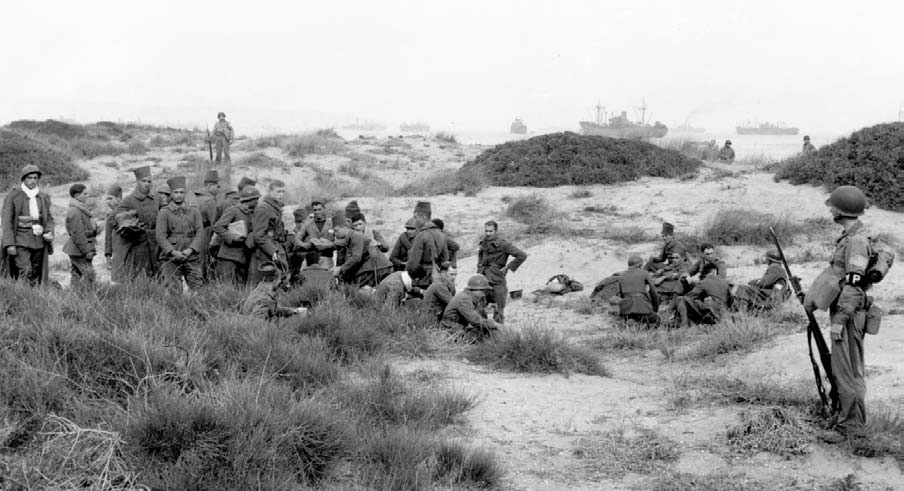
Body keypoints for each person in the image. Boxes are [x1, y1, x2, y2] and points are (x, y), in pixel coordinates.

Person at [806, 186, 873, 443]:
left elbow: (855, 286)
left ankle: (852, 429)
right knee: (843, 369)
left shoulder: (856, 242)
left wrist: (840, 320)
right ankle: (846, 418)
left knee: (848, 372)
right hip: (844, 312)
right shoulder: (850, 237)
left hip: (848, 315)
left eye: (833, 206)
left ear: (842, 210)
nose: (830, 209)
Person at [2, 165, 55, 285]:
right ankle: (23, 296)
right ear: (23, 179)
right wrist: (10, 244)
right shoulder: (13, 196)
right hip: (20, 241)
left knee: (36, 272)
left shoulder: (42, 196)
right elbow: (6, 221)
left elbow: (49, 218)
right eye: (29, 178)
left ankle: (33, 298)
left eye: (35, 178)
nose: (33, 181)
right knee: (25, 271)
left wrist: (49, 231)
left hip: (39, 241)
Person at [155, 176, 205, 294]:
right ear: (171, 194)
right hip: (171, 258)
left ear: (185, 193)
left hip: (191, 257)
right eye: (175, 192)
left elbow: (199, 232)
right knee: (173, 290)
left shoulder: (194, 211)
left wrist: (190, 250)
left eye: (181, 192)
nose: (178, 195)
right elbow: (160, 236)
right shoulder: (164, 212)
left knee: (198, 289)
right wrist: (173, 252)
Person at [114, 166, 161, 281]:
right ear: (137, 182)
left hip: (156, 240)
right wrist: (129, 220)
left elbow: (164, 213)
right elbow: (116, 216)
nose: (146, 184)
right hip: (140, 241)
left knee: (158, 271)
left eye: (149, 181)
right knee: (142, 272)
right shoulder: (129, 199)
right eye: (143, 181)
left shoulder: (156, 197)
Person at [477, 220, 527, 323]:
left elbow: (522, 255)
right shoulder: (484, 242)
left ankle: (498, 334)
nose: (488, 233)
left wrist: (508, 267)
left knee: (499, 311)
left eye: (490, 231)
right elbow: (481, 257)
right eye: (486, 231)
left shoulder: (503, 244)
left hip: (497, 280)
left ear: (496, 231)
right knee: (479, 308)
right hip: (483, 280)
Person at [212, 186, 259, 285]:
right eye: (256, 199)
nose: (257, 202)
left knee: (238, 288)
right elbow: (218, 227)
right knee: (225, 287)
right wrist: (233, 237)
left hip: (242, 258)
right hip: (228, 257)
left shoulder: (252, 214)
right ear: (250, 200)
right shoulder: (234, 210)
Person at [332, 216, 393, 287]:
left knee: (357, 289)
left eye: (337, 230)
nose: (335, 234)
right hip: (373, 268)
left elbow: (356, 257)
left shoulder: (356, 236)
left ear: (345, 228)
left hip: (378, 268)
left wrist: (340, 269)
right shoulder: (350, 238)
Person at [248, 180, 289, 284]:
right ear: (270, 192)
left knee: (279, 280)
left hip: (276, 247)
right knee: (266, 281)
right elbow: (258, 235)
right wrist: (272, 251)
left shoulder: (275, 208)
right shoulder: (264, 208)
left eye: (283, 192)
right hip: (266, 251)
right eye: (278, 191)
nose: (281, 195)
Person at [671, 263, 731, 328]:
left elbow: (689, 297)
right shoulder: (724, 282)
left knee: (681, 299)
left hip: (711, 312)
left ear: (705, 273)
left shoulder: (703, 282)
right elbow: (730, 301)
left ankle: (684, 325)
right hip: (723, 313)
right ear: (714, 272)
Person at [441, 274, 499, 341]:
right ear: (474, 290)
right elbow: (475, 321)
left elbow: (477, 315)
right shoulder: (464, 299)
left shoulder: (468, 296)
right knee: (483, 331)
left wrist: (486, 311)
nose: (483, 295)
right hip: (451, 332)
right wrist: (494, 324)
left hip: (456, 329)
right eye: (482, 291)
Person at [405, 201, 448, 290]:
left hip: (422, 280)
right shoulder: (441, 234)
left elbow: (413, 263)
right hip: (437, 279)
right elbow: (445, 260)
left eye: (416, 218)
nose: (414, 221)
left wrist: (410, 276)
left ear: (423, 217)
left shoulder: (421, 235)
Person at [63, 183, 99, 289]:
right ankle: (89, 296)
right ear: (77, 196)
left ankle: (74, 296)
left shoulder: (80, 209)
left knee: (76, 274)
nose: (88, 196)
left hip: (77, 248)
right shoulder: (75, 211)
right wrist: (86, 250)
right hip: (79, 249)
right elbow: (77, 233)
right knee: (89, 275)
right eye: (85, 193)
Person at [612, 256, 661, 326]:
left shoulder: (622, 275)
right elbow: (654, 293)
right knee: (656, 320)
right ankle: (639, 324)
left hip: (626, 309)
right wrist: (655, 309)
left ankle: (631, 321)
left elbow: (621, 294)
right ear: (640, 265)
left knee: (632, 318)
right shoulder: (644, 273)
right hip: (641, 306)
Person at [194, 170, 221, 283]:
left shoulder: (195, 198)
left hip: (194, 234)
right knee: (206, 260)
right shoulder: (210, 201)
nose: (219, 189)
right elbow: (214, 223)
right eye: (217, 186)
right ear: (209, 186)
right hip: (205, 234)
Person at [295, 199, 335, 268]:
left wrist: (328, 244)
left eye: (319, 209)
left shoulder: (331, 223)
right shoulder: (308, 224)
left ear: (324, 209)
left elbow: (339, 241)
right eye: (315, 210)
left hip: (327, 257)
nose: (317, 212)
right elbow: (297, 238)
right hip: (312, 258)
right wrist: (306, 245)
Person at [103, 184, 123, 279]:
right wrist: (108, 255)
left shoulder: (127, 212)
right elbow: (108, 237)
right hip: (116, 254)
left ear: (119, 199)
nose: (108, 202)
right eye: (107, 199)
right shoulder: (110, 215)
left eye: (110, 199)